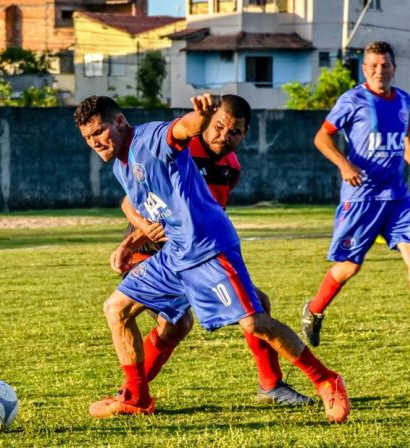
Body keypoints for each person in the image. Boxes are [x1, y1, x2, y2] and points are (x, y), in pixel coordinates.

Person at [74, 95, 350, 423]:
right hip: (174, 252)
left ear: (119, 122)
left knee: (253, 321)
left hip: (207, 248)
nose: (95, 142)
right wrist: (130, 242)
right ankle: (136, 397)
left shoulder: (148, 139)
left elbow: (179, 130)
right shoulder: (121, 162)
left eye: (99, 132)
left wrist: (200, 117)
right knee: (116, 309)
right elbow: (144, 207)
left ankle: (326, 380)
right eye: (89, 137)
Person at [114, 95, 312, 406]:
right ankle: (131, 392)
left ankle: (271, 385)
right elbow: (129, 201)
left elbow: (208, 215)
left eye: (235, 132)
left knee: (257, 304)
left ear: (244, 134)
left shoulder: (230, 167)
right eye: (218, 127)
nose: (224, 136)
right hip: (151, 252)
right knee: (173, 325)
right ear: (207, 121)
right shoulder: (180, 148)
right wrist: (137, 234)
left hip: (192, 253)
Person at [302, 41, 410, 351]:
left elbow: (403, 138)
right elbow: (322, 138)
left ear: (394, 68)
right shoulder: (352, 100)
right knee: (349, 266)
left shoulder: (403, 100)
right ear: (364, 69)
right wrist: (344, 164)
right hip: (362, 197)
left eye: (384, 65)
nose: (379, 70)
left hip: (397, 196)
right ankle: (313, 310)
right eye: (373, 65)